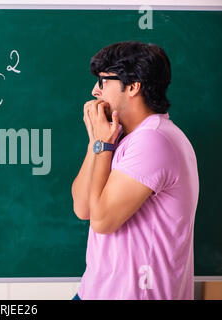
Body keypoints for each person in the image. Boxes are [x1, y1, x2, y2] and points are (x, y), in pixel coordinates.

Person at [71, 41, 199, 300]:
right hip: (94, 292)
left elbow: (102, 221)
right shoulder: (124, 138)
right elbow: (82, 208)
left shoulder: (153, 141)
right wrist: (96, 142)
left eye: (103, 81)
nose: (95, 91)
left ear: (132, 86)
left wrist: (103, 144)